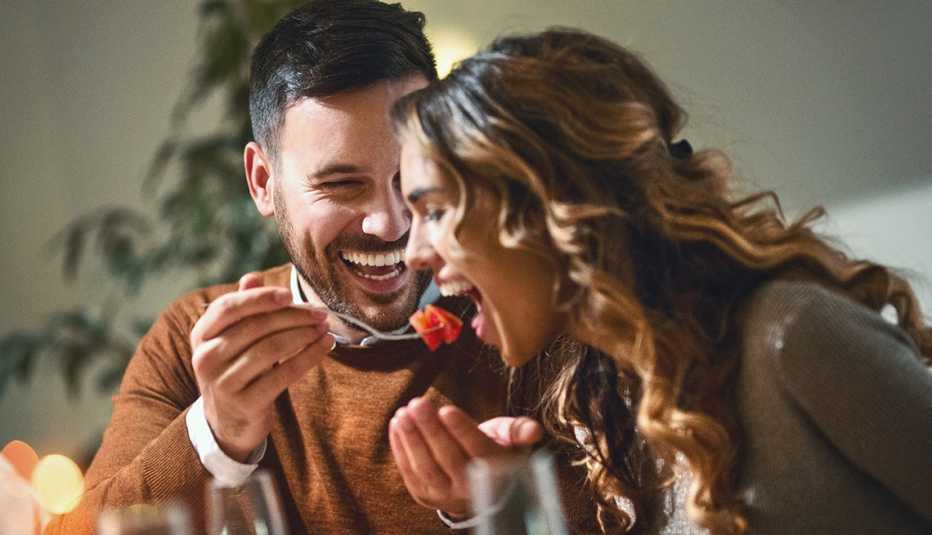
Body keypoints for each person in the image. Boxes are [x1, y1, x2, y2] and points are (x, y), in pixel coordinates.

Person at [46, 3, 600, 534]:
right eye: (341, 185)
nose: (389, 223)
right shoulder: (193, 338)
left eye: (412, 176)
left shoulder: (520, 316)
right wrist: (218, 432)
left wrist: (491, 508)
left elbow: (629, 515)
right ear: (263, 182)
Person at [389, 28, 932, 534]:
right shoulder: (616, 397)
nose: (413, 253)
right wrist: (506, 501)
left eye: (434, 211)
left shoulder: (790, 335)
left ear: (550, 202)